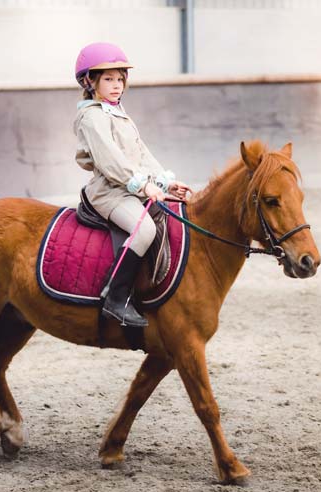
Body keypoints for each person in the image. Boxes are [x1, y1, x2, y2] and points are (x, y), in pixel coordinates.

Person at [73, 42, 190, 328]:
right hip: (109, 193)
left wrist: (165, 181)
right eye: (108, 79)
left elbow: (141, 153)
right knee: (144, 229)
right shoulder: (91, 117)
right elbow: (111, 161)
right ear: (90, 81)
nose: (116, 85)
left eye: (120, 79)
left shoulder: (117, 112)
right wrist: (142, 186)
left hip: (129, 188)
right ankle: (116, 299)